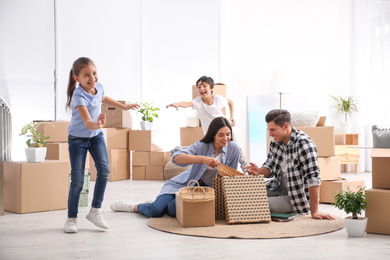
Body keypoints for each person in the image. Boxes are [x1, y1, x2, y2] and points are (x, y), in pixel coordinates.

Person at [64, 57, 140, 233]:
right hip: (78, 139)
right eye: (86, 75)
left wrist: (124, 107)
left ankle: (95, 211)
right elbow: (87, 122)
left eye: (94, 73)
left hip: (96, 136)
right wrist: (97, 125)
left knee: (104, 170)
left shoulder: (98, 87)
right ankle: (71, 218)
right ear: (77, 79)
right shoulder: (78, 96)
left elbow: (103, 98)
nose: (92, 78)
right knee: (77, 180)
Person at [110, 117, 240, 218]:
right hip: (184, 184)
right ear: (213, 135)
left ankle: (161, 203)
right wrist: (202, 159)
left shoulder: (233, 148)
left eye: (228, 134)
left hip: (207, 191)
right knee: (155, 211)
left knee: (172, 210)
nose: (225, 138)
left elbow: (231, 177)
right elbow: (176, 158)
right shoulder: (201, 146)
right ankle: (133, 206)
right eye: (221, 135)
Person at [244, 109, 335, 220]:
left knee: (256, 204)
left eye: (273, 130)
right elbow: (270, 165)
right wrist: (259, 171)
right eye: (269, 130)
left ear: (285, 126)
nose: (270, 134)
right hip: (277, 187)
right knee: (245, 193)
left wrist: (315, 211)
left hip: (295, 197)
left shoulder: (303, 144)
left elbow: (313, 178)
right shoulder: (275, 141)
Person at [166, 76, 248, 172]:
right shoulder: (198, 102)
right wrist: (177, 104)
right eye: (199, 87)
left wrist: (232, 117)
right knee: (207, 150)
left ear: (211, 88)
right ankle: (182, 150)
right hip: (211, 133)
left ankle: (246, 170)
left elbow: (230, 102)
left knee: (236, 149)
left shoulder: (218, 99)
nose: (201, 89)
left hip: (224, 130)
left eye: (204, 86)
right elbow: (187, 103)